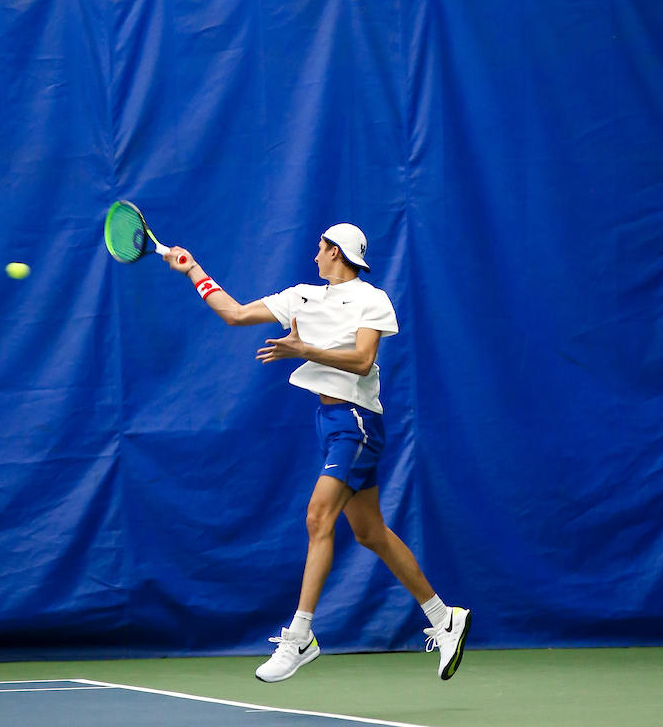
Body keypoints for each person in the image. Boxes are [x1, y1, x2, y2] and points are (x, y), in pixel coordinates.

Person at [164, 223, 471, 683]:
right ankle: (444, 618)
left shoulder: (373, 300)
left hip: (357, 421)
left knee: (317, 517)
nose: (314, 257)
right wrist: (192, 270)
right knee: (370, 533)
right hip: (328, 423)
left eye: (321, 249)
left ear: (338, 253)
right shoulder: (302, 296)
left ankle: (301, 636)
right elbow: (234, 314)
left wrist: (304, 349)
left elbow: (364, 361)